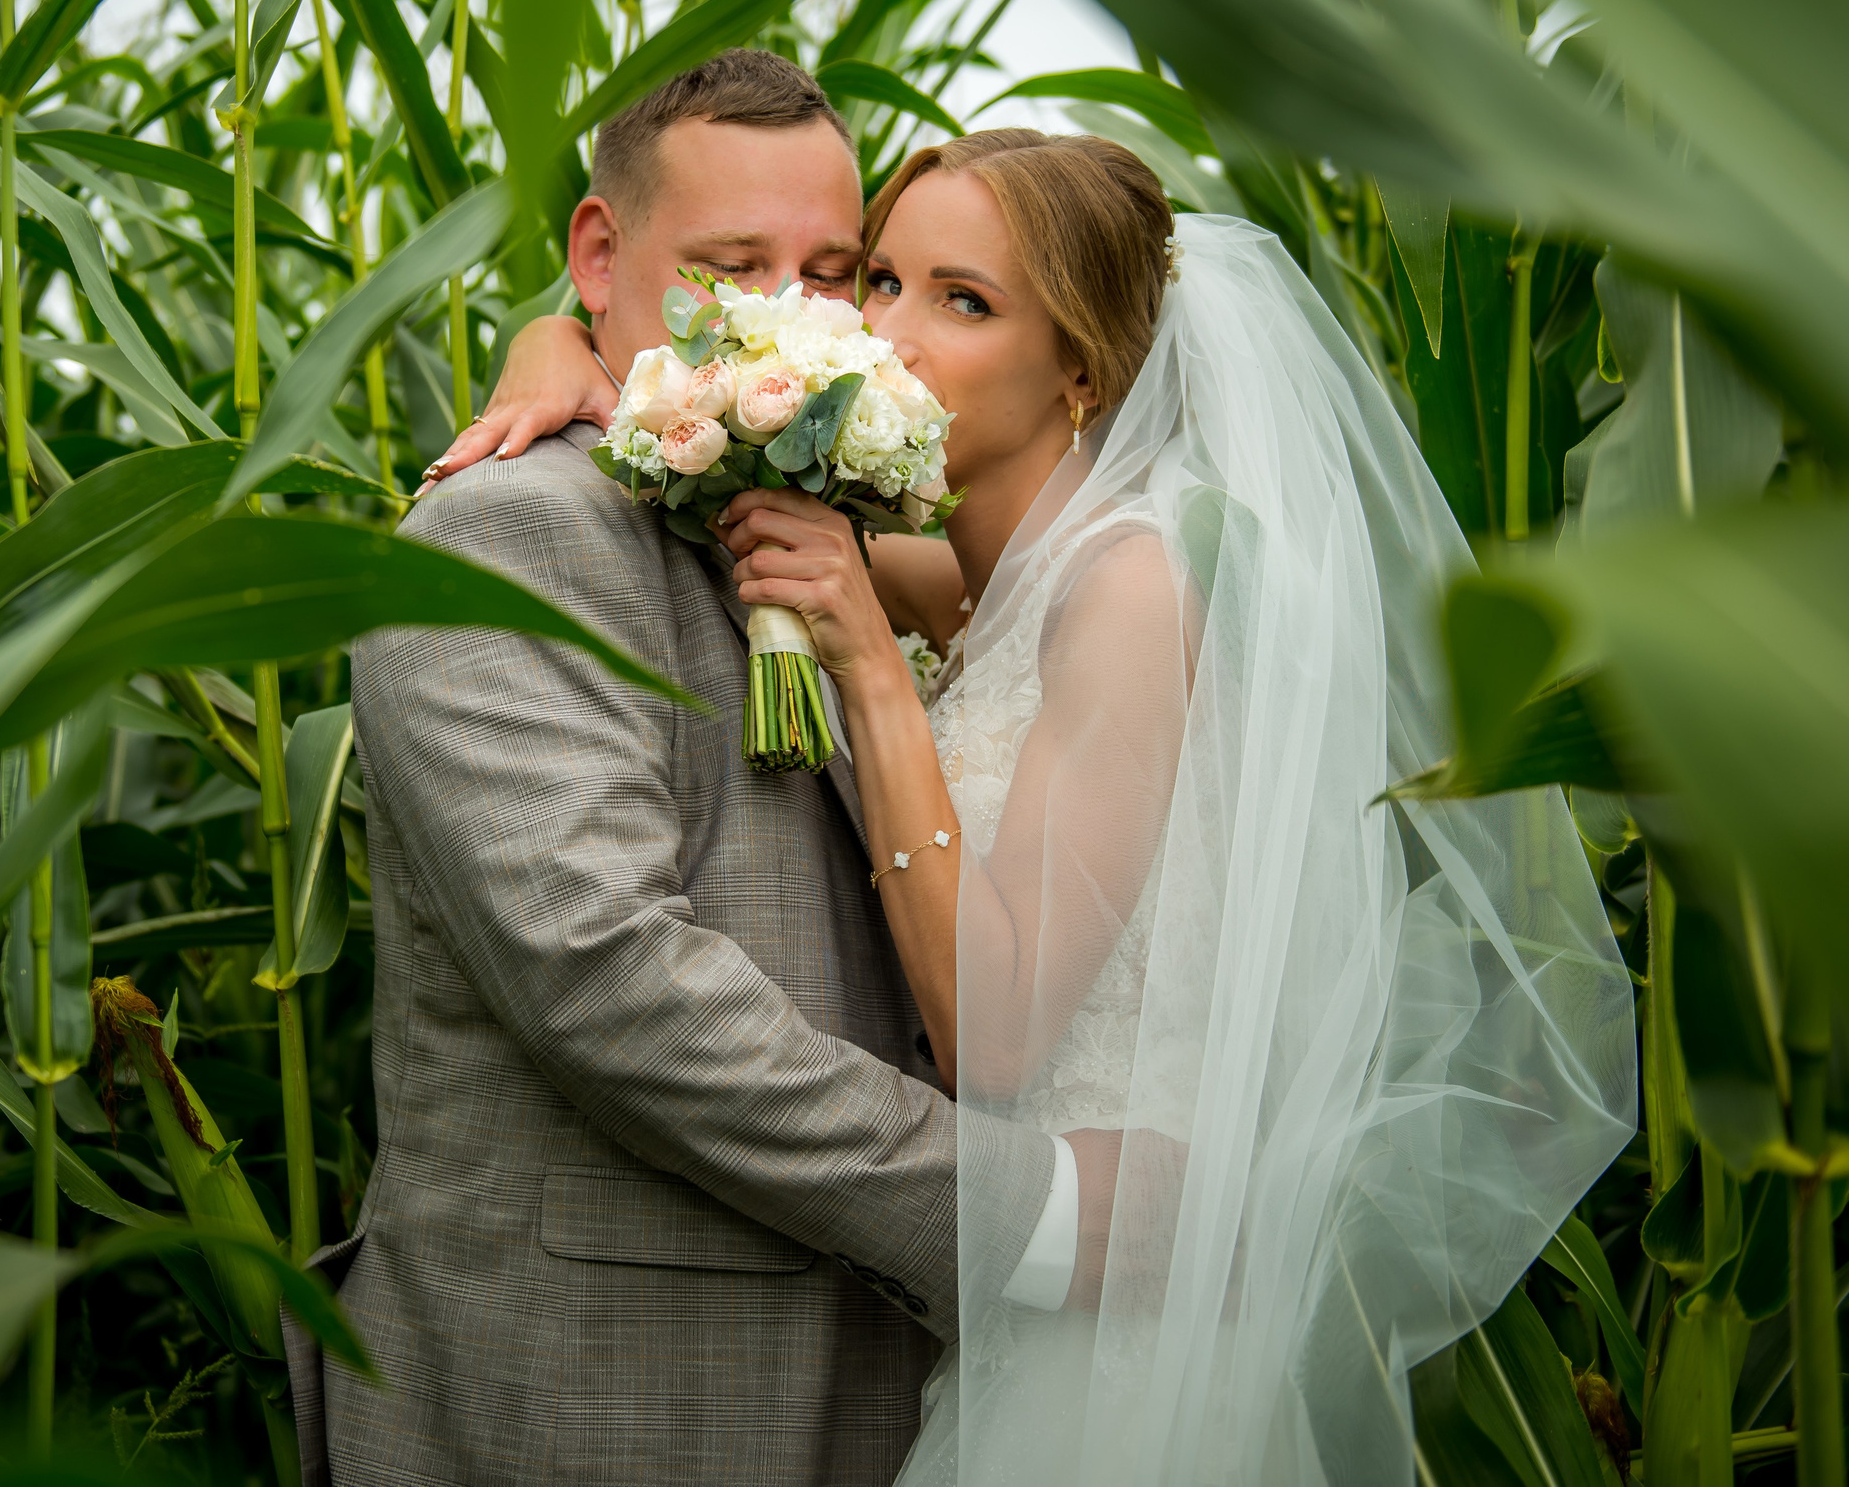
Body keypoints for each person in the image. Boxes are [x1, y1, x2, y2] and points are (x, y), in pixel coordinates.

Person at [434, 125, 1638, 1484]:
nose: (886, 330)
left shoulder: (1125, 590)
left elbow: (996, 1038)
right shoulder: (973, 574)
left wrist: (874, 673)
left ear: (1080, 368)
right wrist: (558, 345)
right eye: (878, 281)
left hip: (1115, 1326)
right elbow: (711, 432)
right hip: (989, 1309)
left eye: (965, 300)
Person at [319, 53, 1082, 1487]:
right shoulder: (504, 541)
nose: (781, 320)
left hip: (857, 1387)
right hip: (596, 1398)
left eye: (826, 273)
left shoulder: (836, 521)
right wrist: (1029, 1213)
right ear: (599, 255)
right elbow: (613, 980)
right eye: (728, 268)